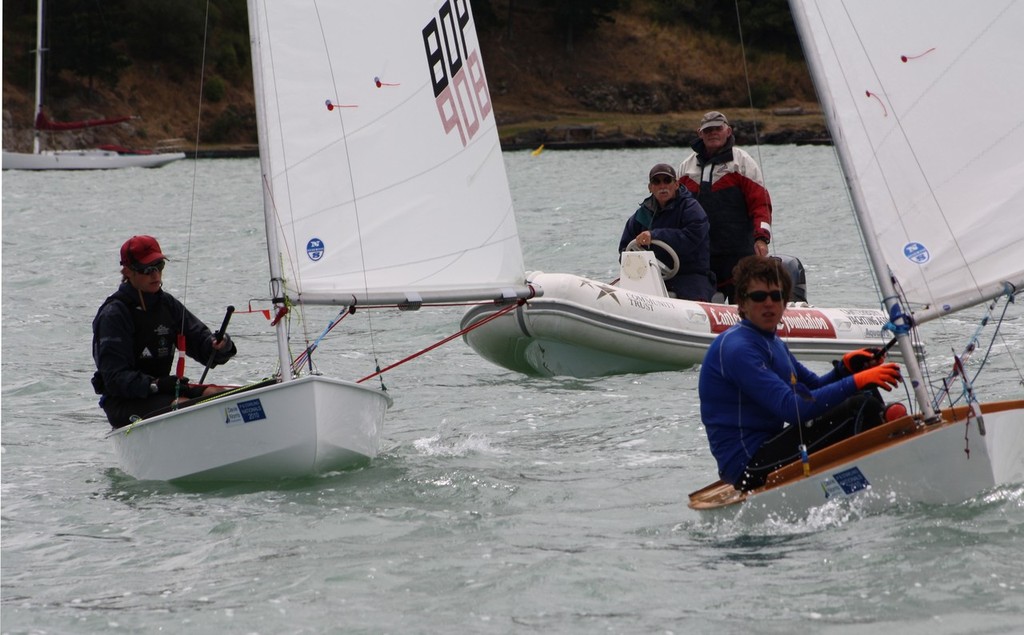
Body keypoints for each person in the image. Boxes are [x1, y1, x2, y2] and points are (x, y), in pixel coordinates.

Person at [698, 255, 902, 491]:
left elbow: (811, 389)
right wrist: (855, 381)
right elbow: (792, 409)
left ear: (785, 303)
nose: (769, 303)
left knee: (865, 390)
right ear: (742, 303)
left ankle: (888, 462)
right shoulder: (738, 349)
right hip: (748, 466)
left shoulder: (771, 341)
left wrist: (845, 369)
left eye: (776, 296)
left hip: (769, 448)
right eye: (758, 296)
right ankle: (884, 478)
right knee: (860, 404)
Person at [91, 235, 237, 428]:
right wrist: (157, 384)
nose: (156, 275)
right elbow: (115, 379)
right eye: (147, 269)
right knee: (185, 407)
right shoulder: (114, 314)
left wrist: (220, 345)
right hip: (124, 402)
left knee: (220, 394)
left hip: (163, 392)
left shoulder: (167, 305)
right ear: (128, 271)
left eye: (159, 266)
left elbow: (203, 346)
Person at [678, 111, 773, 302]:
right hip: (701, 256)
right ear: (700, 133)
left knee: (746, 304)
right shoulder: (686, 167)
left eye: (718, 128)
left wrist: (762, 238)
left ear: (728, 131)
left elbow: (760, 203)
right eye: (708, 130)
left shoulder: (742, 162)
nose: (713, 133)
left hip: (740, 253)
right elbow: (675, 208)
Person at [618, 163, 716, 301]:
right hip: (652, 277)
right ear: (650, 188)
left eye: (667, 180)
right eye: (656, 182)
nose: (662, 186)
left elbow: (691, 238)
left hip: (691, 275)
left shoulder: (691, 209)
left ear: (676, 184)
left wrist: (655, 235)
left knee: (693, 295)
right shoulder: (641, 215)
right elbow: (625, 250)